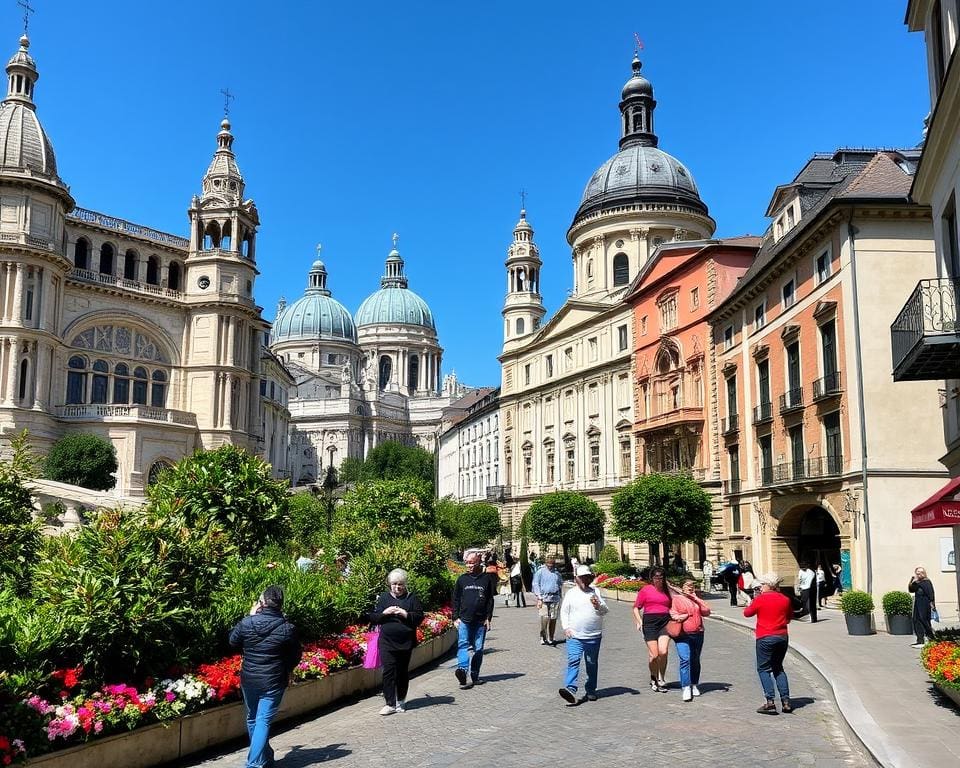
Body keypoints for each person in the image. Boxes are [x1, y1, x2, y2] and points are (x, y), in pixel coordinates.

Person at [228, 586, 301, 768]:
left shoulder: (247, 622)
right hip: (273, 680)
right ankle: (254, 763)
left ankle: (263, 757)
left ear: (261, 603)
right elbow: (295, 655)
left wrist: (251, 617)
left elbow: (232, 641)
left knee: (253, 718)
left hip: (250, 678)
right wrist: (288, 668)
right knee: (262, 720)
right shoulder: (287, 628)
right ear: (280, 605)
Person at [366, 568, 424, 715]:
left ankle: (401, 700)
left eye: (400, 584)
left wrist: (405, 614)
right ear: (389, 584)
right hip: (387, 641)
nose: (397, 587)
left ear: (405, 584)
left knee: (402, 672)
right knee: (388, 672)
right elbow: (373, 617)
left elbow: (419, 617)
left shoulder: (412, 598)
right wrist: (385, 613)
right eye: (394, 584)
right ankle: (390, 703)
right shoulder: (384, 598)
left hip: (405, 642)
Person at [743, 572, 793, 715]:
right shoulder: (785, 599)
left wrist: (754, 599)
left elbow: (747, 613)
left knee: (763, 669)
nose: (761, 587)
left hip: (765, 636)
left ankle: (770, 701)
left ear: (768, 585)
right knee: (778, 668)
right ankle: (786, 701)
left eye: (762, 585)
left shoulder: (761, 599)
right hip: (782, 636)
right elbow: (789, 618)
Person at [558, 565, 608, 704]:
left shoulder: (595, 592)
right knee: (573, 660)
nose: (585, 580)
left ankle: (591, 690)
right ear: (576, 579)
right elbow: (564, 611)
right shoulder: (571, 593)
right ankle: (570, 688)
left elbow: (605, 610)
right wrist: (566, 627)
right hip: (575, 635)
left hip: (593, 635)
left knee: (591, 663)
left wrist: (598, 605)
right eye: (582, 578)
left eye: (587, 577)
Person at [452, 552, 494, 689]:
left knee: (479, 649)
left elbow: (490, 600)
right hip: (464, 620)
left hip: (480, 621)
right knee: (463, 645)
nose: (469, 565)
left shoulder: (486, 579)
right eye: (467, 563)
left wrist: (488, 618)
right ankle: (462, 671)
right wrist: (455, 617)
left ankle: (475, 675)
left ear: (478, 562)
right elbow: (456, 599)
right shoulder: (462, 579)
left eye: (472, 563)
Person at [670, 578, 711, 702]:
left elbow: (707, 612)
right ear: (682, 587)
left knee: (695, 660)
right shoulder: (676, 599)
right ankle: (686, 687)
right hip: (682, 634)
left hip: (698, 633)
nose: (690, 587)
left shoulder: (696, 599)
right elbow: (672, 613)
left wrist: (697, 599)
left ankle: (694, 684)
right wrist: (680, 616)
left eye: (692, 586)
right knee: (685, 659)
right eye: (687, 585)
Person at [632, 566, 672, 692]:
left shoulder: (668, 590)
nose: (658, 580)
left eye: (661, 578)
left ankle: (661, 678)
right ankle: (653, 678)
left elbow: (677, 600)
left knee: (663, 652)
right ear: (652, 578)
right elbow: (636, 607)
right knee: (654, 655)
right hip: (650, 623)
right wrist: (639, 621)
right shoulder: (645, 590)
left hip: (665, 622)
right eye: (656, 578)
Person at [532, 556, 564, 645]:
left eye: (552, 565)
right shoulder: (540, 572)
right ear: (546, 564)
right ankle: (543, 636)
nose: (550, 567)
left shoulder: (557, 574)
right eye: (549, 565)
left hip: (555, 598)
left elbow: (560, 584)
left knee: (553, 619)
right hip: (544, 598)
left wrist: (561, 596)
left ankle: (551, 637)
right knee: (544, 618)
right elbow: (535, 584)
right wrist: (539, 597)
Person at [908, 566, 937, 648]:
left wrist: (932, 603)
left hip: (925, 602)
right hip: (918, 602)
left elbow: (931, 593)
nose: (918, 574)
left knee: (924, 619)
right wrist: (911, 581)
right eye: (917, 573)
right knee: (915, 619)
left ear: (923, 573)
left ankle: (930, 637)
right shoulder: (917, 582)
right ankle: (920, 639)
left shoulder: (927, 582)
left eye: (920, 573)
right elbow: (911, 590)